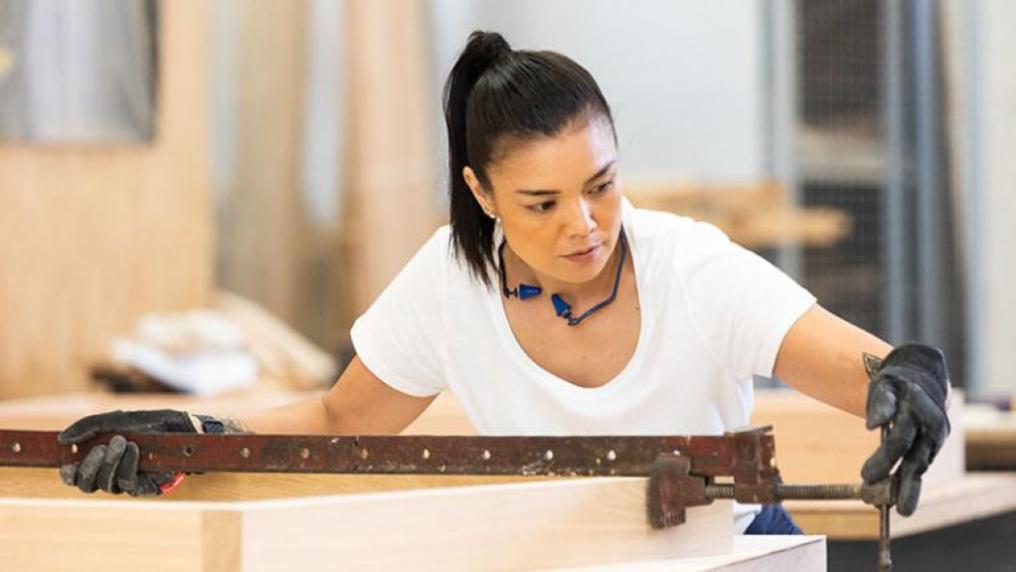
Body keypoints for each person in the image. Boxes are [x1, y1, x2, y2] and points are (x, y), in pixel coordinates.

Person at [56, 31, 950, 534]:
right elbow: (338, 422)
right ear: (482, 196)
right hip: (566, 553)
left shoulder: (691, 268)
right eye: (542, 203)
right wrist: (196, 440)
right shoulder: (450, 281)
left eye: (602, 184)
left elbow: (872, 371)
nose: (585, 224)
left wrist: (911, 383)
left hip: (731, 553)